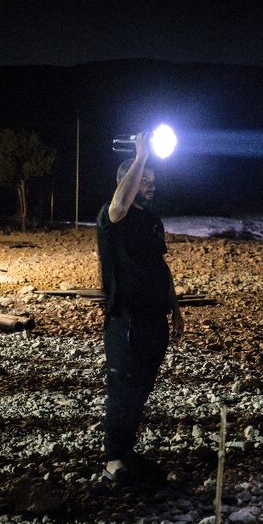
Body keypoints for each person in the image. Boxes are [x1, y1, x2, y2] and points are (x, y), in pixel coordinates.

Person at [96, 131, 185, 485]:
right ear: (127, 181)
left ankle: (127, 452)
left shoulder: (151, 220)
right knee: (123, 388)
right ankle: (113, 461)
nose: (150, 185)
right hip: (126, 321)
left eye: (152, 180)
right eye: (143, 180)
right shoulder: (111, 217)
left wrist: (175, 309)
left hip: (154, 320)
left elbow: (162, 268)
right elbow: (118, 206)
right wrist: (140, 157)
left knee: (142, 389)